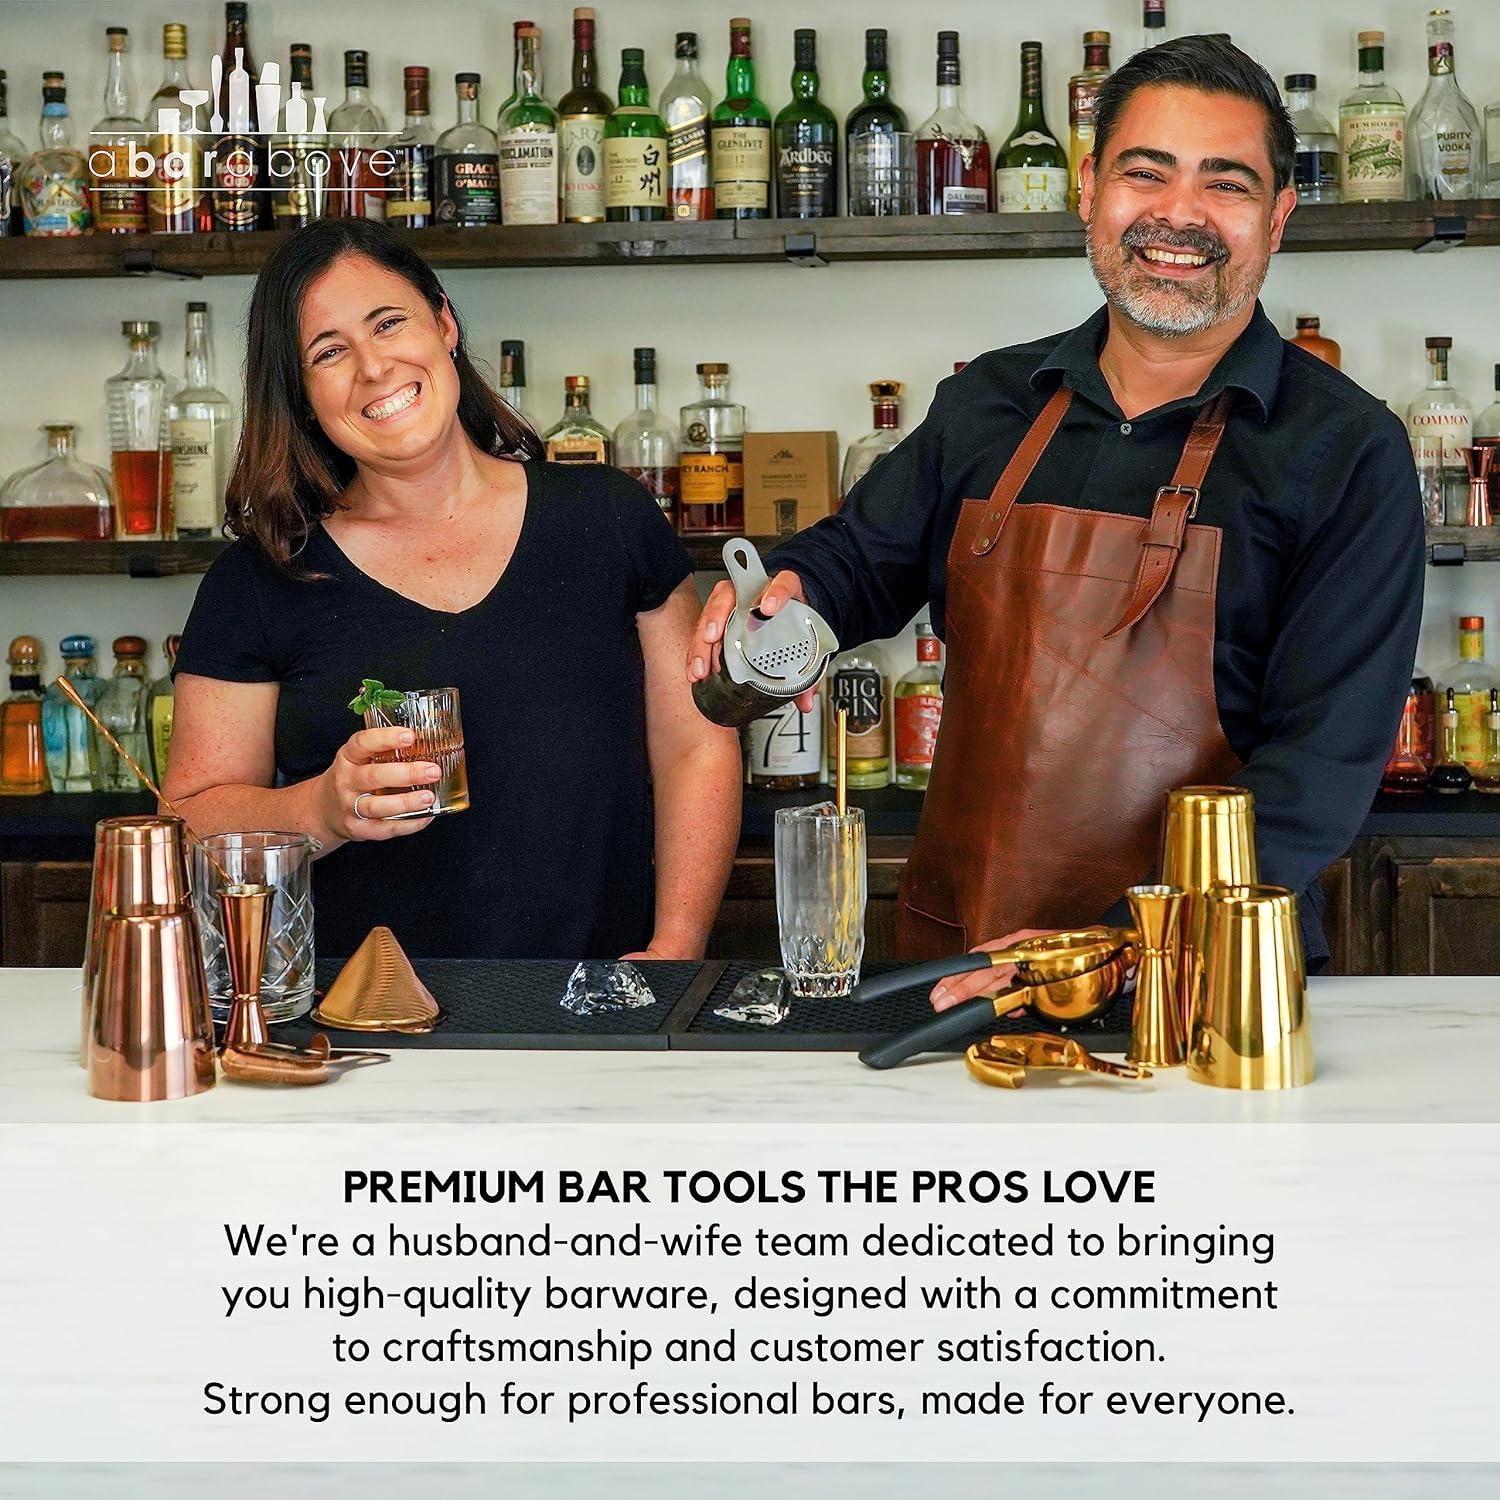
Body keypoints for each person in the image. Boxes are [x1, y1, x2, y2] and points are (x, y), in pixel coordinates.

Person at [688, 36, 1423, 1006]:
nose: (1178, 215)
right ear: (1089, 190)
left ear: (1278, 218)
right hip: (960, 961)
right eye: (1144, 173)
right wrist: (789, 600)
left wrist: (1115, 947)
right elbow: (861, 558)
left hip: (1199, 985)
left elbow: (1316, 775)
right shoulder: (991, 400)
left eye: (1227, 184)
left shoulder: (1348, 451)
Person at [168, 218, 740, 960]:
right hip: (360, 1028)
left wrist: (676, 946)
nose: (373, 367)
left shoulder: (609, 517)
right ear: (303, 396)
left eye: (389, 323)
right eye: (330, 352)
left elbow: (694, 745)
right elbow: (189, 820)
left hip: (601, 1015)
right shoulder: (260, 578)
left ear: (444, 324)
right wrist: (320, 809)